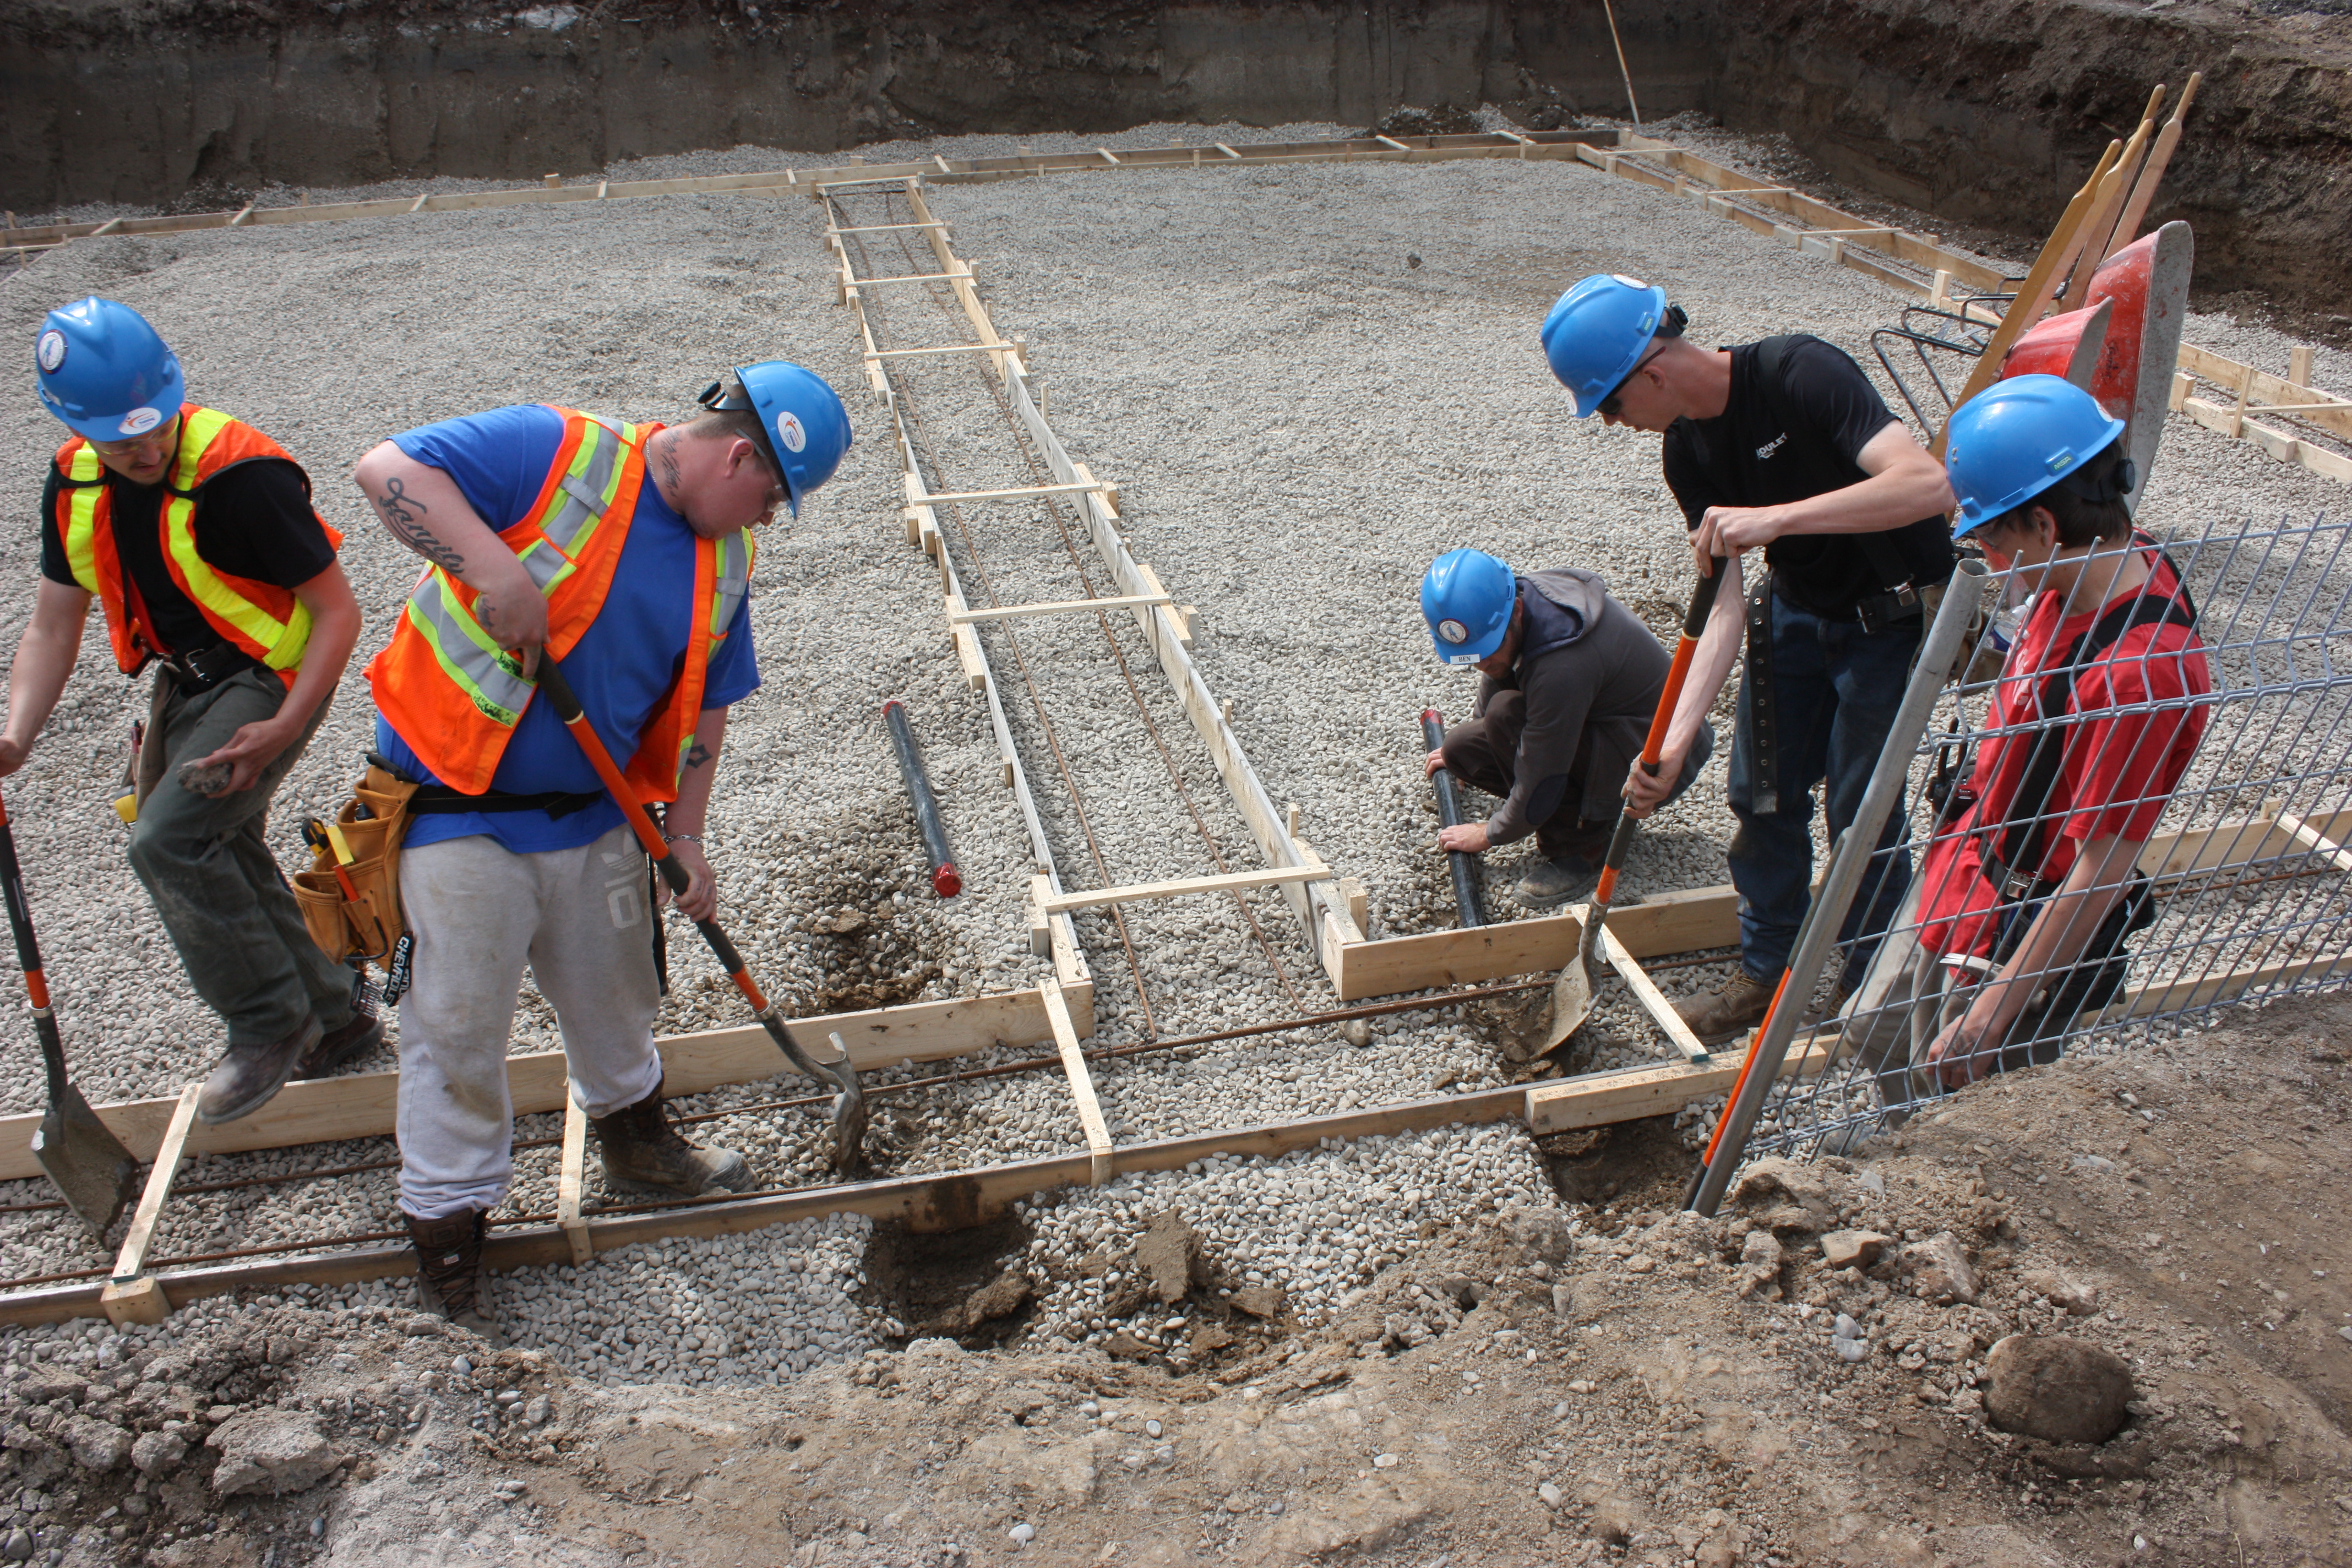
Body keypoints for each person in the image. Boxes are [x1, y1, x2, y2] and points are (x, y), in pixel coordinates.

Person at [352, 363, 852, 1337]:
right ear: (739, 454)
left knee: (619, 993)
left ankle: (637, 1144)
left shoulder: (727, 559)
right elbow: (384, 470)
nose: (766, 517)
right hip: (459, 804)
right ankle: (448, 1224)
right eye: (770, 497)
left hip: (598, 812)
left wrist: (688, 828)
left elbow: (706, 701)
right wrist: (494, 572)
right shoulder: (560, 451)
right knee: (454, 1024)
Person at [1540, 274, 1957, 1041]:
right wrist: (1670, 742)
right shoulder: (1687, 453)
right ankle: (1766, 974)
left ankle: (1870, 991)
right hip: (1794, 613)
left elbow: (1929, 484)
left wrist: (1776, 520)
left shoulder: (1801, 374)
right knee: (1761, 795)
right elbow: (1722, 608)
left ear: (1653, 373)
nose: (1613, 423)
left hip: (1890, 618)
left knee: (1861, 815)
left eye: (1610, 405)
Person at [1, 298, 373, 1125]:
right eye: (119, 436)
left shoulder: (243, 477)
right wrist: (16, 734)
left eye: (155, 425)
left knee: (168, 841)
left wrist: (282, 726)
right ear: (72, 424)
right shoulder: (75, 479)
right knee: (220, 837)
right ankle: (337, 1017)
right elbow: (53, 621)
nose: (145, 448)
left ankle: (268, 1025)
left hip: (274, 674)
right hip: (190, 680)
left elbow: (339, 614)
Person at [1836, 375, 2208, 1136]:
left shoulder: (2137, 675)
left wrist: (1999, 1006)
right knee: (1874, 1030)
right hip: (1966, 866)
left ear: (2043, 523)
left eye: (1992, 539)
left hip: (2012, 922)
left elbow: (2102, 864)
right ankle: (1903, 1135)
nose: (1984, 558)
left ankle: (1931, 1182)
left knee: (1962, 1098)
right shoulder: (2073, 576)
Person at [1418, 549, 1714, 905]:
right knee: (1462, 747)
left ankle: (1580, 849)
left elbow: (1542, 774)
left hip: (1657, 756)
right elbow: (1499, 674)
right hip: (1605, 725)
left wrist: (1490, 834)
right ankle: (1575, 812)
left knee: (1505, 720)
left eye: (1487, 648)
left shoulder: (1562, 665)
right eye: (1470, 655)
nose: (1480, 663)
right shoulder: (1515, 602)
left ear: (1516, 612)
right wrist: (1464, 753)